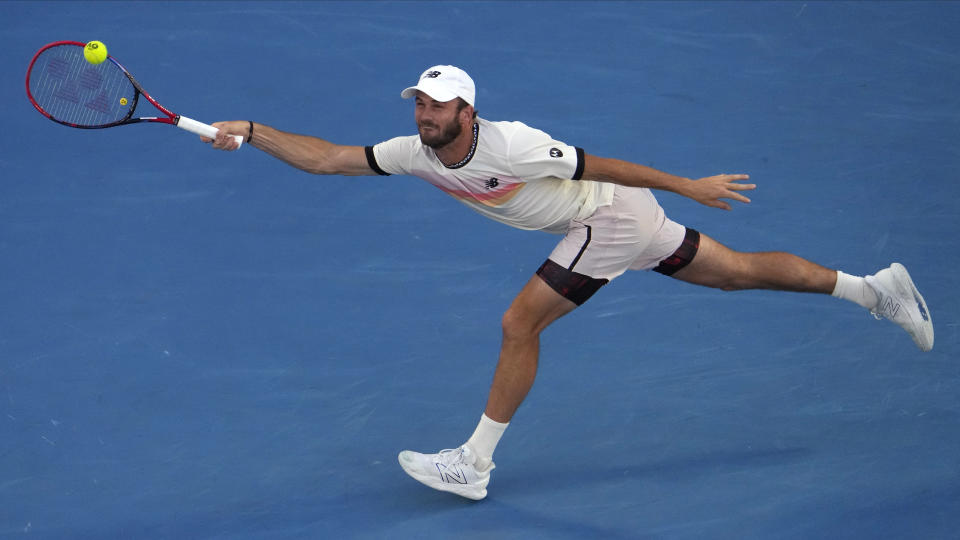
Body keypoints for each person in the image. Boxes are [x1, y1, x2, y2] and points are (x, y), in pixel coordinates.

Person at [205, 65, 934, 501]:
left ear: (468, 110)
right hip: (617, 224)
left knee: (519, 324)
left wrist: (688, 184)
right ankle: (874, 289)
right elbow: (332, 159)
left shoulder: (512, 143)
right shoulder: (414, 151)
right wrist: (254, 129)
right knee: (736, 274)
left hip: (612, 215)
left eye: (436, 106)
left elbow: (600, 164)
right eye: (418, 105)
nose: (424, 116)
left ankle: (474, 463)